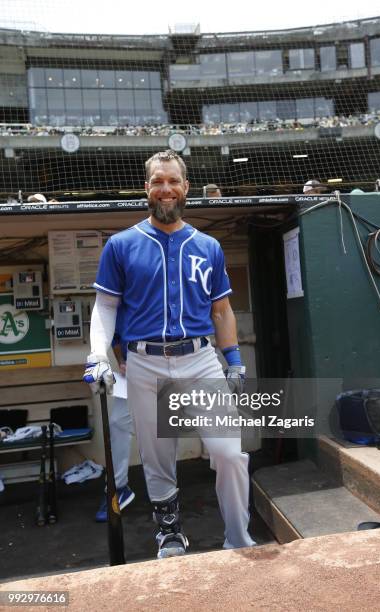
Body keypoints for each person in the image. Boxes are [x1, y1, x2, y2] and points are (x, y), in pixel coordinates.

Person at [84, 149, 255, 559]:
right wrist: (98, 355)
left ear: (185, 187)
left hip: (199, 360)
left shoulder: (208, 246)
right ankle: (170, 533)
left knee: (229, 453)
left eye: (173, 181)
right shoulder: (122, 245)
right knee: (158, 458)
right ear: (147, 188)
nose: (166, 189)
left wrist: (234, 361)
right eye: (158, 181)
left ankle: (238, 537)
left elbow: (222, 310)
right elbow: (106, 307)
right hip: (144, 363)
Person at [94, 323, 135, 522]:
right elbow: (116, 336)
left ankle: (168, 496)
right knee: (118, 422)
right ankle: (119, 488)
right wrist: (121, 360)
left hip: (171, 363)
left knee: (165, 427)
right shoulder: (120, 298)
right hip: (134, 367)